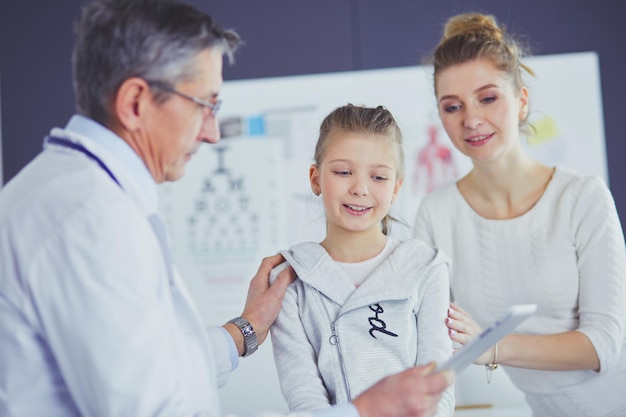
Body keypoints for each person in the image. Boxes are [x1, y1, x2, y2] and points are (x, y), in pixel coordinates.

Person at [0, 1, 453, 416]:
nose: (213, 132)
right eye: (206, 105)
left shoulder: (85, 200)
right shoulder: (87, 219)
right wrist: (364, 411)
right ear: (135, 102)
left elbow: (163, 368)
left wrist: (247, 328)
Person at [413, 12, 626, 417]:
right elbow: (423, 338)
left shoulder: (582, 197)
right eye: (452, 106)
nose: (471, 120)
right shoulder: (436, 215)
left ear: (521, 101)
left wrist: (492, 347)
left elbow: (603, 344)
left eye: (488, 98)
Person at [270, 104, 455, 416]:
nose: (359, 189)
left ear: (396, 187)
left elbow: (438, 387)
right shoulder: (291, 279)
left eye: (379, 177)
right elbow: (304, 396)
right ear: (315, 179)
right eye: (343, 172)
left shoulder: (425, 268)